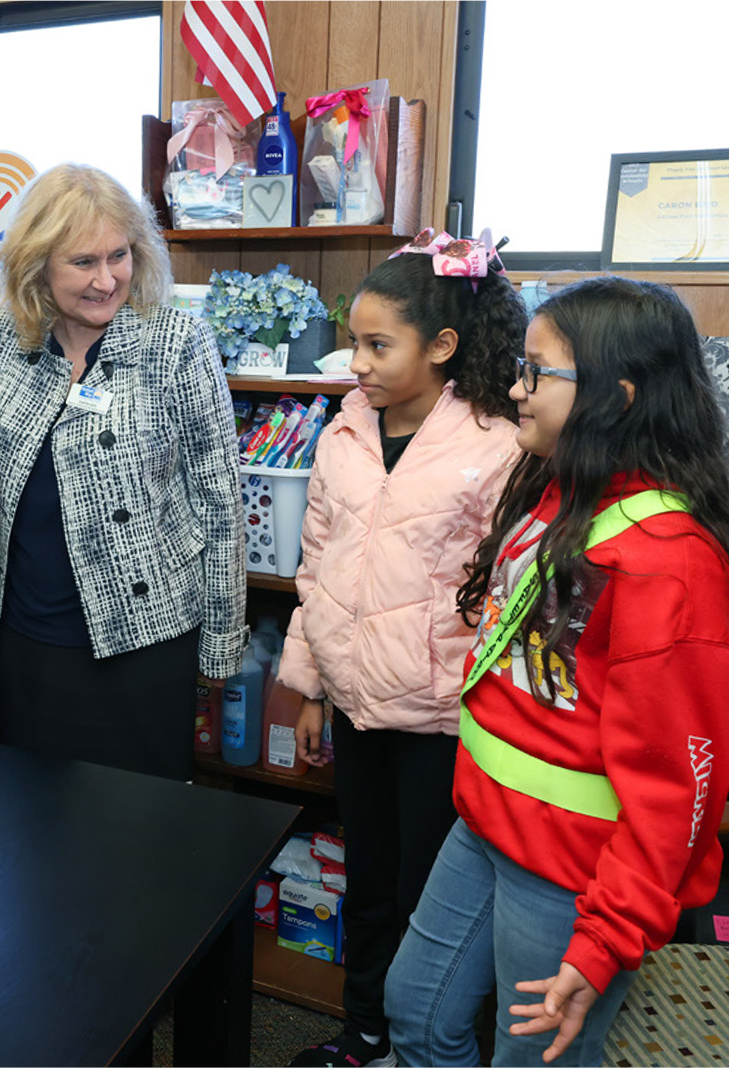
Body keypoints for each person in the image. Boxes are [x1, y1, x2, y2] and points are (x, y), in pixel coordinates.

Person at [384, 276, 729, 1066]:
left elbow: (676, 791)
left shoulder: (668, 568)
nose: (516, 391)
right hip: (486, 825)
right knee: (416, 1015)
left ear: (614, 396)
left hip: (571, 872)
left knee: (532, 1058)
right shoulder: (562, 489)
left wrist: (605, 940)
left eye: (536, 373)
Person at [280, 230, 526, 1068]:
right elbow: (316, 564)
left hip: (442, 720)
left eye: (377, 345)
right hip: (356, 703)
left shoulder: (495, 443)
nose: (357, 363)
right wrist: (311, 686)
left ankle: (424, 1041)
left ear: (442, 346)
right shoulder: (343, 430)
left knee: (431, 894)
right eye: (354, 341)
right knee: (370, 878)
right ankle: (365, 1034)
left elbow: (508, 597)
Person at [0, 162, 246, 781]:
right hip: (28, 635)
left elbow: (221, 505)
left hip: (143, 639)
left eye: (120, 255)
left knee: (135, 834)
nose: (107, 279)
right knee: (28, 819)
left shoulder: (176, 342)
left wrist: (222, 641)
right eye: (83, 262)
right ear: (36, 264)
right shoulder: (2, 331)